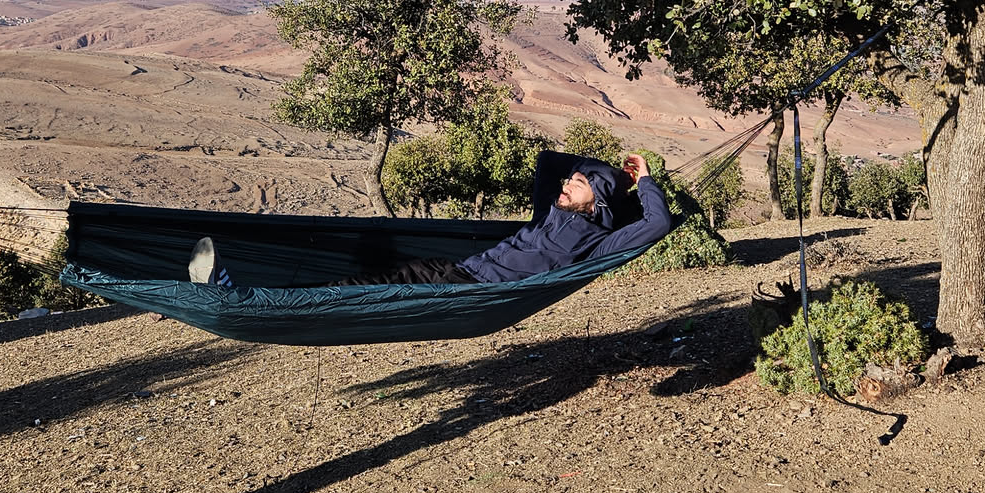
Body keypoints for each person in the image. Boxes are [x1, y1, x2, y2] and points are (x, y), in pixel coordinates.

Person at [187, 148, 671, 288]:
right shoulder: (552, 211)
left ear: (597, 200)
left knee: (366, 292)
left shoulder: (595, 241)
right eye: (570, 180)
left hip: (472, 291)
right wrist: (605, 174)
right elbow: (549, 164)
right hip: (457, 270)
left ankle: (246, 297)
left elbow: (657, 225)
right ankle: (256, 293)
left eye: (578, 183)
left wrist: (643, 180)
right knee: (366, 281)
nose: (565, 184)